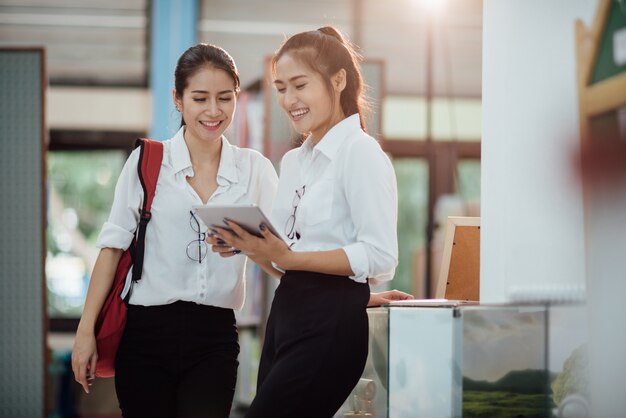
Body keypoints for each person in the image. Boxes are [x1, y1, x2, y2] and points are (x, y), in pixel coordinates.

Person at [71, 43, 279, 418]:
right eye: (200, 98)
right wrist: (85, 333)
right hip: (145, 335)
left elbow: (282, 256)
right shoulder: (148, 161)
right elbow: (112, 247)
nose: (213, 111)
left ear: (237, 98)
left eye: (224, 98)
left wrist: (250, 247)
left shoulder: (256, 170)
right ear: (178, 100)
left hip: (214, 337)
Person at [209, 26, 407, 417]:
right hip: (287, 313)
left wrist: (302, 265)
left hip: (331, 323)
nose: (289, 99)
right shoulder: (296, 160)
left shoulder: (360, 153)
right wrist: (248, 245)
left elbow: (381, 256)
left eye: (299, 85)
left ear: (338, 80)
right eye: (281, 88)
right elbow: (287, 255)